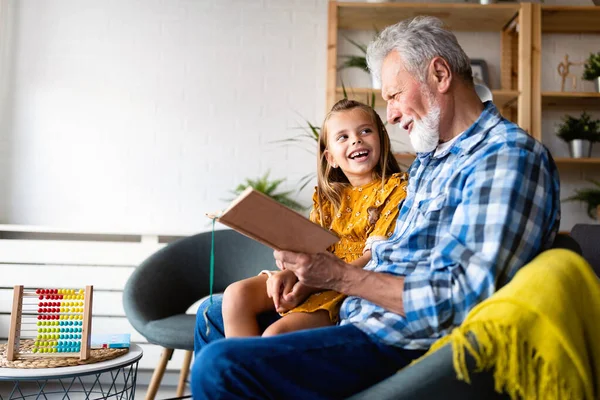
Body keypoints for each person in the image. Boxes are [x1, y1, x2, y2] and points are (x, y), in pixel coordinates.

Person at [191, 16, 561, 400]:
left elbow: (460, 299)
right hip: (364, 314)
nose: (392, 115)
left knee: (221, 366)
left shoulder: (504, 157)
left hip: (401, 343)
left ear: (439, 74)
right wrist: (311, 279)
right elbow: (393, 250)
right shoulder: (433, 161)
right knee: (213, 315)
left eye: (394, 95)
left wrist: (338, 277)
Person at [223, 99, 408, 338]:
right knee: (236, 295)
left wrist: (309, 283)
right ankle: (239, 372)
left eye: (365, 131)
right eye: (343, 137)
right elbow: (310, 251)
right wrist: (290, 273)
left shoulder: (396, 190)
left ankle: (256, 370)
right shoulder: (328, 198)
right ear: (330, 158)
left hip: (348, 285)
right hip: (310, 274)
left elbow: (374, 256)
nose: (356, 140)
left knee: (275, 335)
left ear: (382, 141)